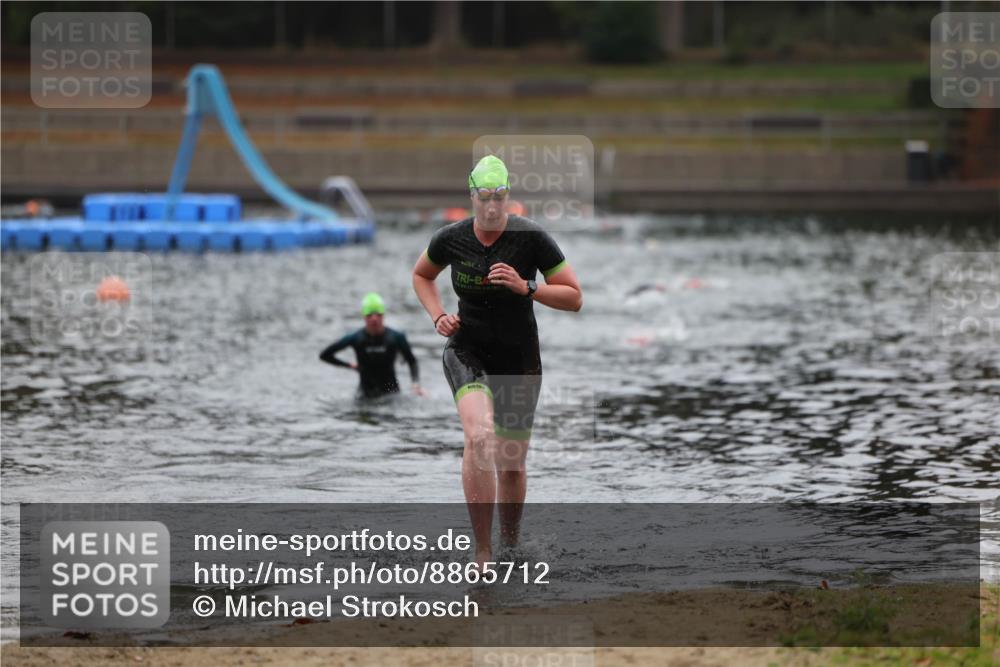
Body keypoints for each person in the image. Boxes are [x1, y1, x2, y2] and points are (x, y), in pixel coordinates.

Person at [411, 155, 583, 567]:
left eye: (499, 197)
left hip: (518, 355)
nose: (491, 206)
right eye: (484, 197)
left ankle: (510, 544)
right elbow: (422, 275)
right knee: (478, 436)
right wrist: (438, 315)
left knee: (511, 463)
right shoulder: (450, 238)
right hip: (466, 349)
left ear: (509, 196)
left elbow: (574, 297)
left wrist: (527, 287)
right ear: (471, 196)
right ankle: (483, 551)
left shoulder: (531, 238)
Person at [319, 292, 422, 399]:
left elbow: (412, 361)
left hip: (391, 394)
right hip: (365, 395)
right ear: (364, 316)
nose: (374, 318)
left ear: (383, 315)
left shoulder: (396, 337)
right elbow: (324, 355)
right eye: (370, 315)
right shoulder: (355, 338)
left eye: (378, 314)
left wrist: (416, 384)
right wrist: (349, 365)